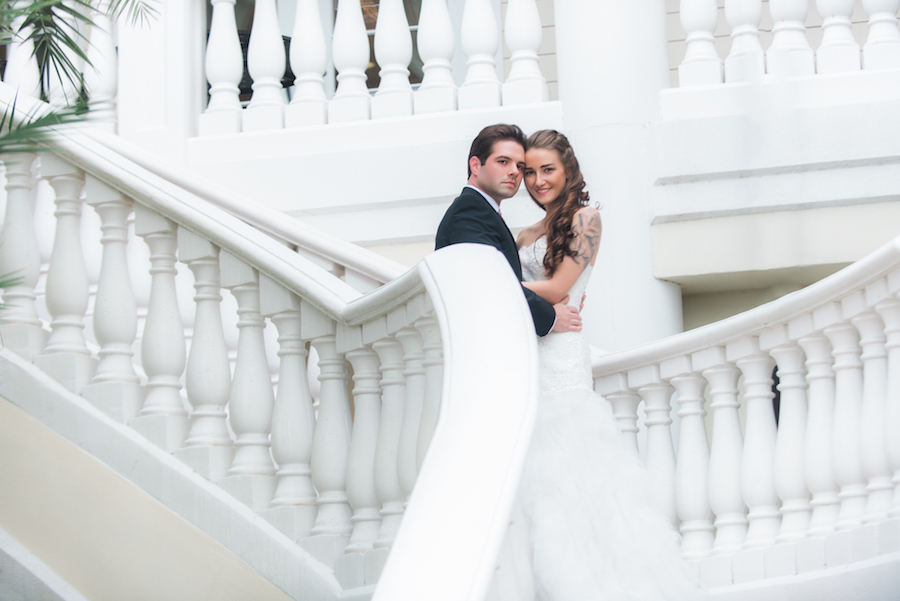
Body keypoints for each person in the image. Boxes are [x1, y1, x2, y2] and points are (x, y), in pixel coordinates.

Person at [487, 129, 704, 600]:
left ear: (569, 171)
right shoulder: (524, 234)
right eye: (529, 171)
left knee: (578, 478)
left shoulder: (587, 219)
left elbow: (561, 286)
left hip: (561, 356)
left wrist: (495, 286)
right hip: (528, 353)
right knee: (537, 489)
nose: (537, 180)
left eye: (548, 170)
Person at [435, 124, 582, 336]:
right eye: (503, 161)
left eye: (520, 166)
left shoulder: (483, 212)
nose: (514, 171)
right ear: (476, 166)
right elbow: (491, 282)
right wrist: (551, 316)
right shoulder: (468, 213)